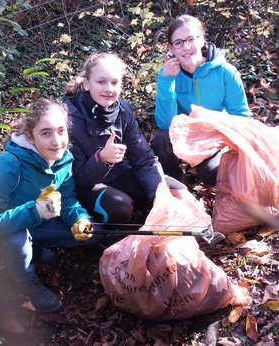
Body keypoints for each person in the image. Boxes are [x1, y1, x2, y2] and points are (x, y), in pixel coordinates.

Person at [0, 98, 102, 313]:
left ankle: (33, 248)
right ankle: (24, 280)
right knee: (17, 241)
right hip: (6, 230)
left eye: (61, 131)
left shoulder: (62, 159)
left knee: (93, 232)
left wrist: (80, 218)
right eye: (46, 133)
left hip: (37, 222)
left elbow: (68, 198)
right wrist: (34, 209)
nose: (57, 141)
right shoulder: (7, 164)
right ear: (30, 138)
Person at [63, 52, 186, 225]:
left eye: (114, 82)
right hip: (87, 188)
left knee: (175, 191)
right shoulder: (68, 120)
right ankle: (104, 237)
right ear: (87, 84)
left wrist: (158, 195)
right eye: (101, 82)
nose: (108, 89)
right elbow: (77, 181)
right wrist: (102, 160)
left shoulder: (123, 110)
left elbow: (143, 158)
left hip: (119, 176)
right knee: (120, 206)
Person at [151, 14, 250, 185]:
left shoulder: (226, 72)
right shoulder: (168, 74)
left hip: (214, 135)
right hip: (183, 133)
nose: (186, 47)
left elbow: (240, 115)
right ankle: (176, 186)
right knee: (160, 140)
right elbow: (165, 124)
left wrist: (228, 142)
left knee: (210, 174)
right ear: (171, 49)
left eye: (191, 39)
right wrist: (167, 80)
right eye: (178, 43)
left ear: (202, 40)